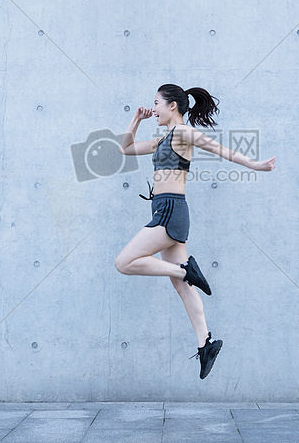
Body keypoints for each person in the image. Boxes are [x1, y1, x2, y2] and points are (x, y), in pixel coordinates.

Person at [114, 84, 276, 379]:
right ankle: (206, 343)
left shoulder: (182, 133)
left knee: (124, 262)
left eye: (156, 104)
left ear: (172, 106)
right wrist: (136, 119)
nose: (154, 110)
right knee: (181, 286)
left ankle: (186, 271)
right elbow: (124, 149)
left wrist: (254, 165)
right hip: (164, 209)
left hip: (170, 211)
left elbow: (218, 149)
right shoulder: (163, 137)